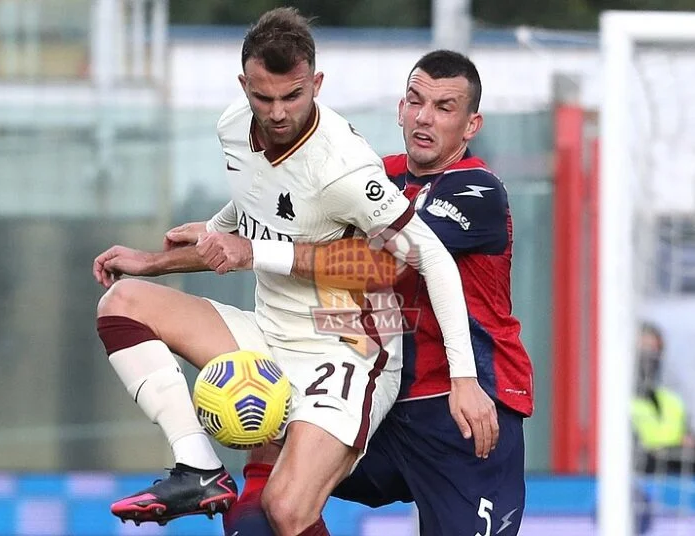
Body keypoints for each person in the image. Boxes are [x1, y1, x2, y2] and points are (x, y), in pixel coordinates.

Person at [92, 10, 497, 536]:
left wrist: (465, 377)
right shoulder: (232, 129)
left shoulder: (346, 166)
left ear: (316, 84)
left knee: (286, 510)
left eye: (293, 96)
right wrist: (155, 261)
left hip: (347, 347)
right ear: (244, 86)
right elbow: (256, 213)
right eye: (264, 98)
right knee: (123, 302)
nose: (278, 112)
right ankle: (199, 468)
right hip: (267, 337)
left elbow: (419, 259)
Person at [219, 50, 534, 536]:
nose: (425, 117)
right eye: (416, 101)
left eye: (444, 108)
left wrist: (257, 250)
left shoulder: (476, 190)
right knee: (267, 489)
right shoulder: (372, 177)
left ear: (472, 126)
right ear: (400, 108)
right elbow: (263, 225)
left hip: (462, 409)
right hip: (381, 400)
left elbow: (381, 261)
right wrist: (160, 259)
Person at [632, 321, 695, 474]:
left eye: (655, 350)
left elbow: (691, 441)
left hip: (676, 476)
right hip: (642, 477)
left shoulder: (671, 401)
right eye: (644, 349)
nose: (650, 357)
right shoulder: (614, 403)